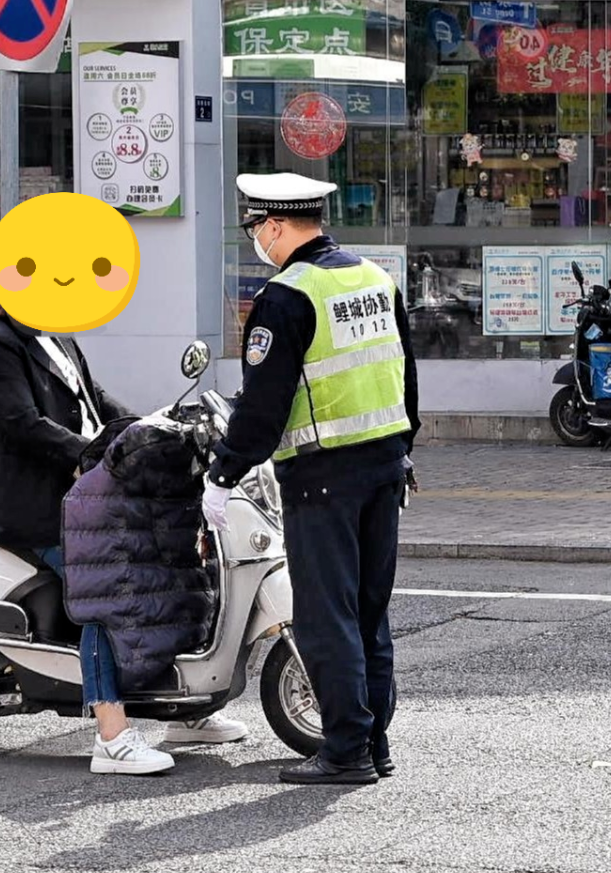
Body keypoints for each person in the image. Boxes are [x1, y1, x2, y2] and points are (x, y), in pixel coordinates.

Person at [202, 172, 420, 786]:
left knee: (326, 619)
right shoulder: (375, 279)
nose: (256, 242)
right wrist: (403, 448)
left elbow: (263, 406)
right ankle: (374, 743)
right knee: (370, 614)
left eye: (255, 230)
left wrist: (223, 473)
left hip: (322, 477)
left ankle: (346, 751)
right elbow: (406, 376)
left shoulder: (286, 296)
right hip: (384, 470)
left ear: (273, 225)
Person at [0, 300, 247, 776]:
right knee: (105, 597)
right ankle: (112, 733)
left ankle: (185, 709)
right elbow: (23, 425)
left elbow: (96, 399)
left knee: (170, 571)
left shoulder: (55, 331)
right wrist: (91, 454)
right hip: (39, 507)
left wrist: (150, 430)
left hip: (90, 500)